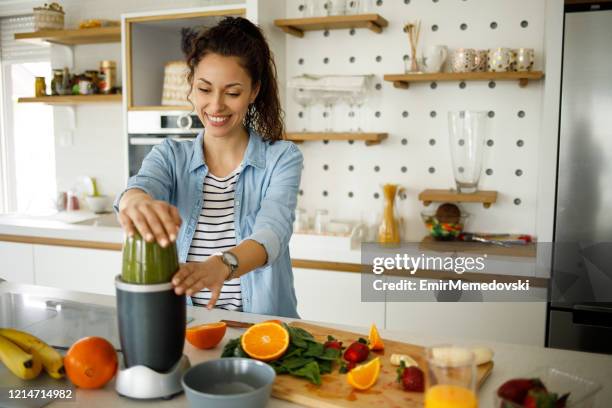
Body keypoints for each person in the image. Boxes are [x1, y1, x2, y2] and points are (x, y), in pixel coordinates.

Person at [114, 17, 303, 318]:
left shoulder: (281, 158)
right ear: (191, 87)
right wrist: (135, 202)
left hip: (261, 329)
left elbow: (273, 233)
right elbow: (141, 186)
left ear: (254, 92)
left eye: (232, 93)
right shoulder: (170, 155)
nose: (215, 106)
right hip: (187, 327)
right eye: (204, 89)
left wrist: (223, 265)